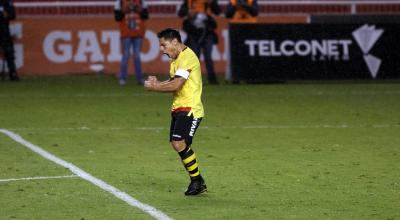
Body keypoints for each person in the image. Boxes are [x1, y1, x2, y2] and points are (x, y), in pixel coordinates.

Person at [144, 28, 206, 196]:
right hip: (179, 107)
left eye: (163, 45)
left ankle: (197, 181)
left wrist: (155, 87)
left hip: (191, 108)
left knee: (179, 142)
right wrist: (158, 83)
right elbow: (173, 81)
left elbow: (177, 85)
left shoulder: (188, 58)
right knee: (177, 143)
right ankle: (198, 181)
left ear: (174, 42)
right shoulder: (176, 58)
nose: (161, 49)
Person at [178, 0, 221, 85]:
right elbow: (181, 13)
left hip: (206, 32)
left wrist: (211, 5)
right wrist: (188, 12)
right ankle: (196, 79)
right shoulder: (189, 1)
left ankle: (210, 79)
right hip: (195, 32)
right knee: (196, 57)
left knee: (206, 57)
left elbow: (217, 11)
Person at [114, 0, 149, 85]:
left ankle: (139, 79)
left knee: (136, 56)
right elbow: (117, 18)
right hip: (126, 34)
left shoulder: (141, 2)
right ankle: (122, 78)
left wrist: (138, 9)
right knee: (126, 56)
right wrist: (125, 9)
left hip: (138, 33)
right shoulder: (119, 2)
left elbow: (146, 16)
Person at [224, 0, 258, 83]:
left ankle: (250, 77)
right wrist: (235, 6)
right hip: (236, 30)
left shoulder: (251, 1)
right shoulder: (233, 1)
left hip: (250, 29)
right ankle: (236, 77)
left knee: (250, 55)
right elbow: (227, 14)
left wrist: (245, 5)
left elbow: (255, 12)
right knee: (236, 55)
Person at [0, 0, 19, 81]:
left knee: (9, 52)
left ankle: (13, 73)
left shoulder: (6, 2)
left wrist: (5, 14)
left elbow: (12, 15)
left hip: (3, 31)